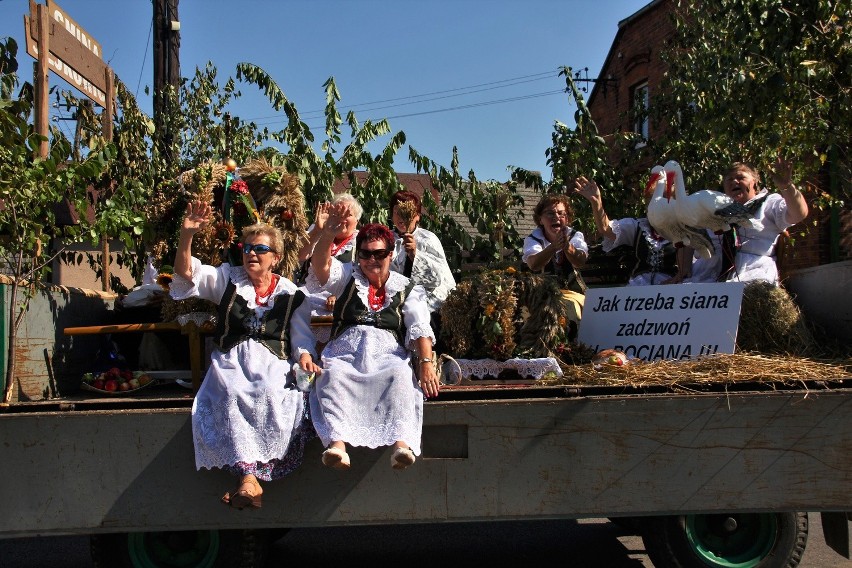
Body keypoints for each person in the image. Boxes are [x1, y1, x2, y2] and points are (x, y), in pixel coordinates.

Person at [171, 200, 321, 510]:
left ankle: (250, 481)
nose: (251, 253)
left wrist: (305, 356)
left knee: (275, 393)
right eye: (247, 247)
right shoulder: (228, 279)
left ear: (275, 258)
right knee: (232, 392)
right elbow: (187, 274)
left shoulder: (291, 293)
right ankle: (248, 480)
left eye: (260, 249)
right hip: (232, 361)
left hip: (274, 361)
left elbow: (302, 337)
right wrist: (186, 235)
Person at [306, 200, 439, 471]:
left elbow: (419, 327)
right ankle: (337, 446)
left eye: (379, 254)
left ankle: (401, 446)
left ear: (391, 254)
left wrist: (426, 364)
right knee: (332, 375)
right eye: (366, 254)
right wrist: (328, 234)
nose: (372, 260)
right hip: (345, 351)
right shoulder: (347, 276)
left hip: (387, 353)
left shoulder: (405, 287)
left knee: (401, 376)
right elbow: (320, 270)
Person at [692, 157, 809, 285]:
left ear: (754, 182)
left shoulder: (768, 203)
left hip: (752, 273)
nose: (734, 181)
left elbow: (799, 214)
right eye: (729, 179)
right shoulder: (713, 211)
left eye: (741, 177)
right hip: (707, 275)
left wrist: (787, 187)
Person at [573, 176, 695, 286]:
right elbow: (606, 229)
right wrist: (596, 202)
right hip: (639, 287)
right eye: (653, 202)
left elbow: (685, 271)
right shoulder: (639, 226)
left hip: (669, 288)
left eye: (664, 201)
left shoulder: (683, 230)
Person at [388, 190, 456, 348]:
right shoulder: (386, 239)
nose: (400, 217)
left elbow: (437, 278)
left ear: (417, 216)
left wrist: (414, 254)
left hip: (428, 306)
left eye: (406, 212)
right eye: (396, 212)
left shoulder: (428, 238)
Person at [297, 193, 364, 345]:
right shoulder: (317, 230)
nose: (341, 218)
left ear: (357, 220)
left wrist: (340, 295)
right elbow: (299, 256)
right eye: (337, 213)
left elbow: (362, 278)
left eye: (347, 214)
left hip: (339, 304)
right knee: (296, 314)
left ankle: (319, 355)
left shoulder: (360, 242)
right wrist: (318, 231)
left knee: (323, 327)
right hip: (307, 296)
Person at [521, 194, 589, 327]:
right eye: (550, 213)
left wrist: (567, 247)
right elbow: (534, 264)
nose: (556, 217)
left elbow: (580, 262)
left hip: (574, 293)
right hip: (541, 294)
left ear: (567, 218)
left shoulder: (575, 236)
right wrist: (553, 247)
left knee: (573, 306)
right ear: (540, 219)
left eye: (561, 213)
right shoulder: (533, 240)